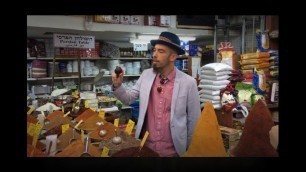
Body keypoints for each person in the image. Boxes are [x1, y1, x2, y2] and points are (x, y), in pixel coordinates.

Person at [111, 31, 201, 157]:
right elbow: (128, 99)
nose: (154, 54)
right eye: (154, 50)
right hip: (147, 149)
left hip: (174, 151)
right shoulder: (146, 75)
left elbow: (194, 121)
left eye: (161, 51)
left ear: (173, 57)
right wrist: (118, 85)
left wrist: (189, 150)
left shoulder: (188, 83)